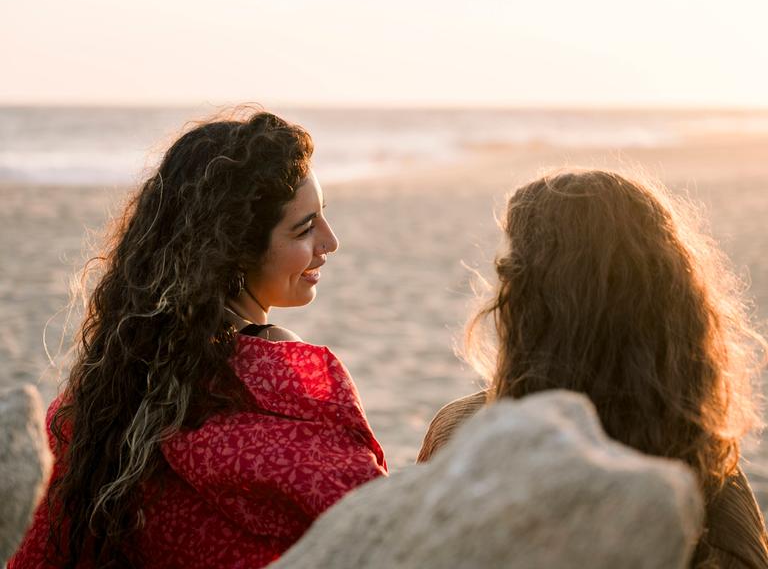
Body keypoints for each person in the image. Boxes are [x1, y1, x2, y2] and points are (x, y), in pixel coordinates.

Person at [10, 110, 386, 568]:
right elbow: (377, 525)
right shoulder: (293, 385)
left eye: (323, 216)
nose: (331, 242)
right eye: (304, 228)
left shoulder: (87, 411)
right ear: (234, 253)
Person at [418, 169, 768, 567]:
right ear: (674, 307)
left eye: (507, 271)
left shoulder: (461, 433)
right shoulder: (707, 479)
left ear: (527, 303)